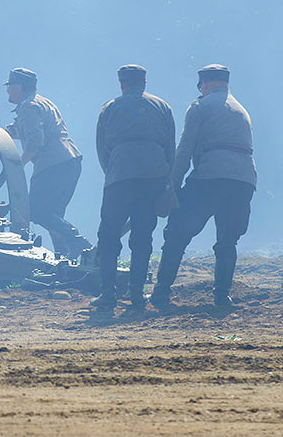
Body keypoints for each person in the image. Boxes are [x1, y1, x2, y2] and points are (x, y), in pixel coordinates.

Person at [150, 64, 256, 308]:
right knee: (228, 241)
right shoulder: (241, 110)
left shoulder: (200, 106)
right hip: (243, 181)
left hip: (210, 177)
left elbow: (185, 148)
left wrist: (172, 186)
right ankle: (222, 296)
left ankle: (161, 293)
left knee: (177, 232)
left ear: (204, 85)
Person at [89, 65, 176, 311]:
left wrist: (114, 172)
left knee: (108, 234)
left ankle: (108, 294)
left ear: (122, 84)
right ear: (144, 83)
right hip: (153, 176)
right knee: (143, 236)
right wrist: (165, 176)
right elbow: (171, 146)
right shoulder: (162, 106)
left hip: (120, 176)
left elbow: (101, 148)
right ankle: (137, 295)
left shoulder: (110, 107)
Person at [5, 68, 91, 258]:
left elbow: (36, 141)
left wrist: (18, 166)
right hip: (69, 160)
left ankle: (78, 242)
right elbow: (40, 132)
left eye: (10, 86)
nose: (8, 91)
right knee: (54, 214)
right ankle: (63, 255)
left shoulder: (29, 107)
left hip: (52, 164)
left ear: (19, 86)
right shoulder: (42, 102)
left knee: (36, 211)